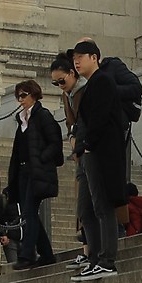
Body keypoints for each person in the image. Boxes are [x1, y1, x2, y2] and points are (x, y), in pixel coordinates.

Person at [69, 39, 141, 281]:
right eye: (74, 58)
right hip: (92, 153)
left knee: (103, 207)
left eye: (82, 56)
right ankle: (95, 259)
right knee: (88, 209)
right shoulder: (92, 85)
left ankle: (107, 260)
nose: (77, 61)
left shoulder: (102, 81)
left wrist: (86, 145)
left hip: (100, 154)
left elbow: (99, 121)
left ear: (94, 58)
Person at [5, 80, 63, 268]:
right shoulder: (21, 120)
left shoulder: (43, 116)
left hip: (36, 172)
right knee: (30, 213)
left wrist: (40, 159)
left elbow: (55, 144)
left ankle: (27, 254)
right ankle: (46, 253)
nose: (20, 100)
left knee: (30, 211)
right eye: (18, 96)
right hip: (22, 172)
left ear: (34, 94)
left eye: (23, 95)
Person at [46, 52, 91, 268]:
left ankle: (94, 251)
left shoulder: (86, 90)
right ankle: (87, 250)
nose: (59, 85)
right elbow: (70, 122)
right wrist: (72, 138)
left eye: (61, 81)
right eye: (55, 83)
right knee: (82, 206)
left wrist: (78, 139)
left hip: (90, 150)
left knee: (91, 204)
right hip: (79, 151)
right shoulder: (67, 94)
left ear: (72, 73)